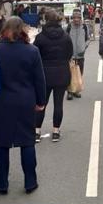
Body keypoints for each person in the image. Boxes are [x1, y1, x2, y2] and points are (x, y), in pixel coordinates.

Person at [0, 17, 46, 195]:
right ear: (23, 30)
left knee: (1, 143)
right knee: (27, 141)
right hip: (25, 101)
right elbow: (39, 80)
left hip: (2, 102)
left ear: (4, 30)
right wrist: (41, 102)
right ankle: (30, 182)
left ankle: (2, 184)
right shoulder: (32, 51)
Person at [34, 9, 73, 143]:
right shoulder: (65, 36)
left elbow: (35, 56)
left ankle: (37, 131)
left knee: (41, 104)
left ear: (45, 20)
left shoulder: (40, 37)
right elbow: (69, 54)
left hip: (44, 74)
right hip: (62, 73)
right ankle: (56, 131)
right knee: (58, 104)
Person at [66, 9, 89, 100]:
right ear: (72, 18)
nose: (76, 19)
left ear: (80, 18)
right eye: (74, 17)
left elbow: (88, 39)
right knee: (70, 74)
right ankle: (69, 92)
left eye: (78, 18)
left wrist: (84, 47)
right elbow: (65, 39)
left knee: (79, 73)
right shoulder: (68, 27)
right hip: (70, 55)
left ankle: (76, 91)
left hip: (80, 55)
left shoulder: (84, 27)